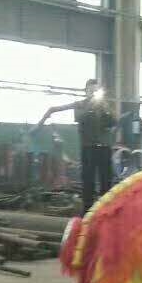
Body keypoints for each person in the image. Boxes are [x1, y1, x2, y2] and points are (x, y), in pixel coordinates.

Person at [35, 79, 115, 212]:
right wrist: (91, 107)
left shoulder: (105, 106)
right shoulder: (80, 105)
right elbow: (80, 118)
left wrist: (105, 109)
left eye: (96, 90)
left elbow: (113, 121)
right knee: (88, 180)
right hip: (88, 148)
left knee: (106, 180)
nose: (93, 93)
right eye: (91, 90)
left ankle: (106, 210)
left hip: (104, 148)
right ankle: (87, 211)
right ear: (86, 91)